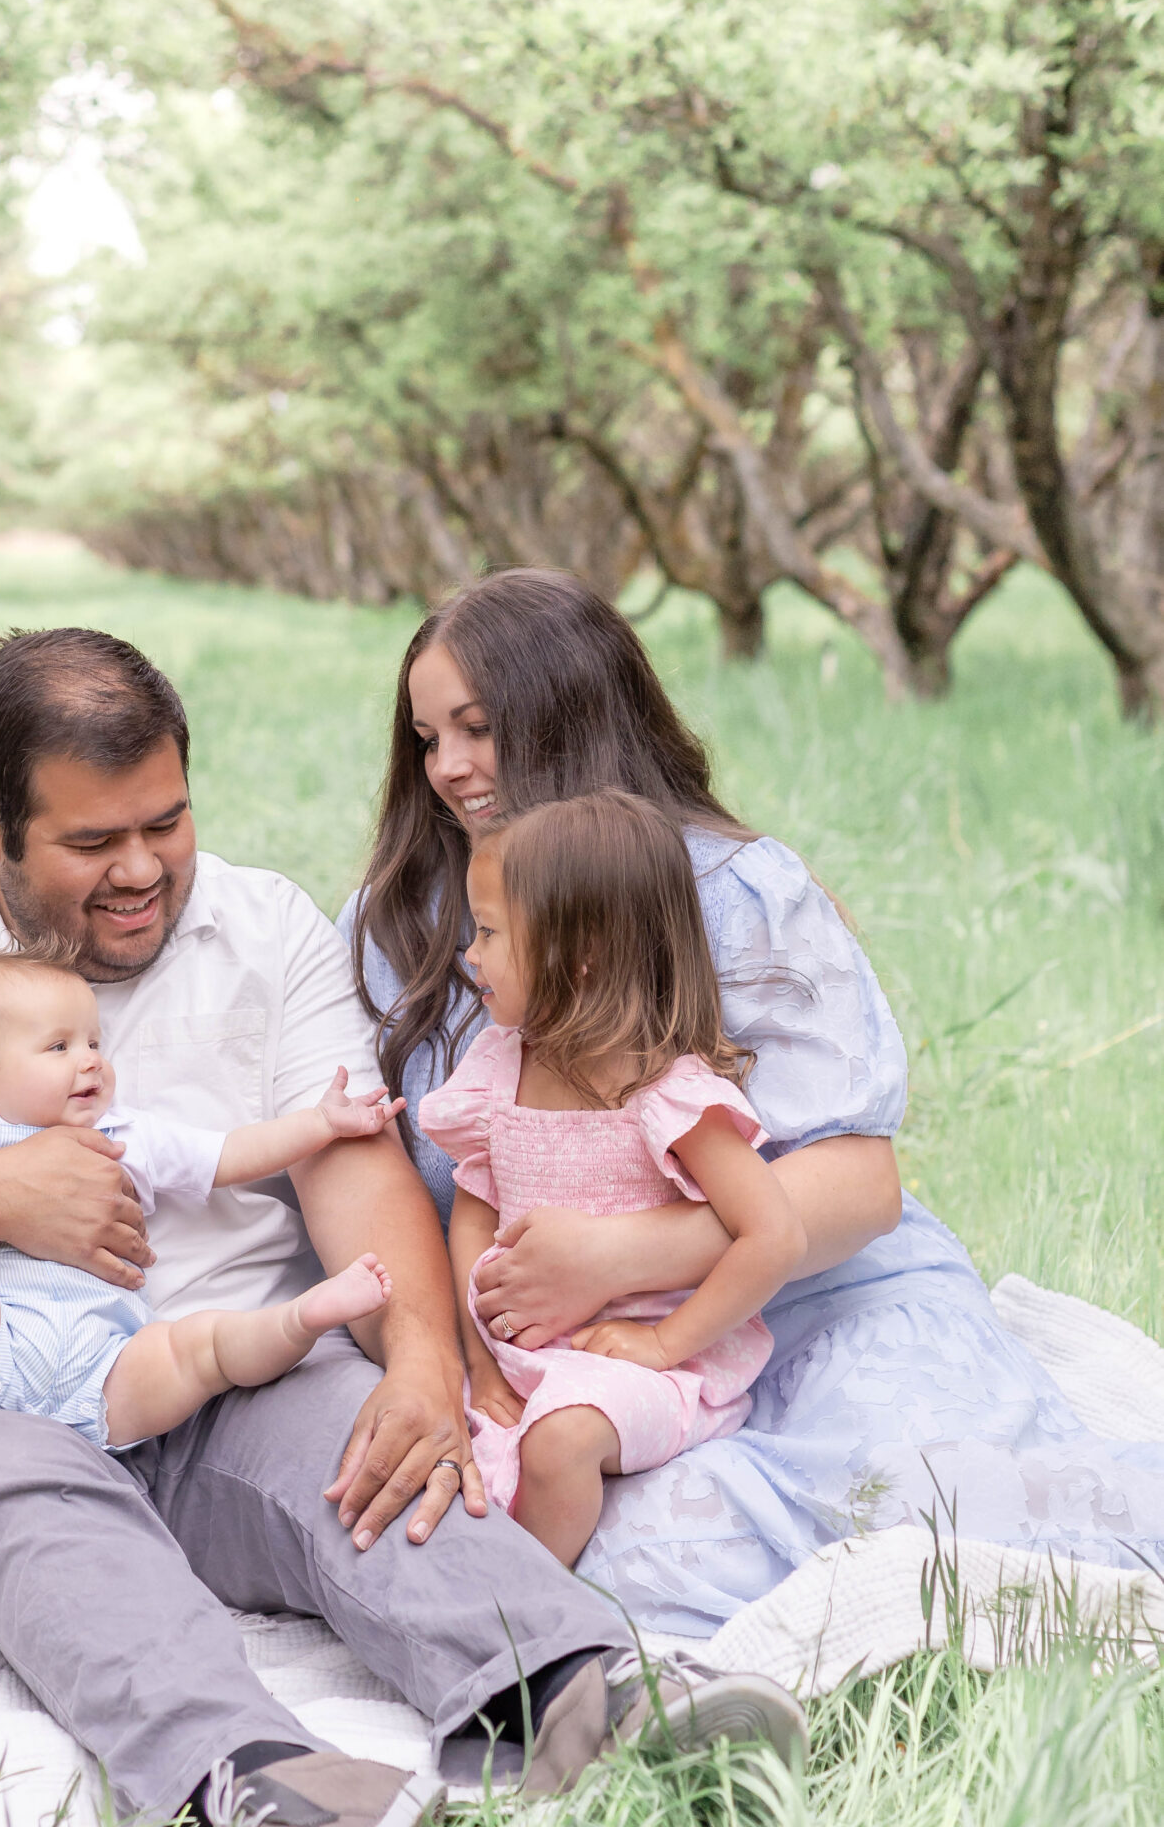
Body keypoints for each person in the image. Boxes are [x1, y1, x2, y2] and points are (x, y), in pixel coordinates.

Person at [0, 625, 806, 1827]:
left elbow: (355, 1177)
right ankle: (262, 1797)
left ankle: (577, 1690)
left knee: (369, 1442)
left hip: (227, 1368)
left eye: (164, 823)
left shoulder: (261, 925)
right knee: (28, 1498)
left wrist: (419, 1364)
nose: (139, 872)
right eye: (91, 843)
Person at [345, 567, 1164, 1634]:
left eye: (479, 728)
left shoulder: (735, 893)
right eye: (425, 737)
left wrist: (612, 1256)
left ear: (570, 717)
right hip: (544, 1355)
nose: (449, 768)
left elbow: (859, 1185)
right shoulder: (402, 923)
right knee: (586, 1539)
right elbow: (390, 1172)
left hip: (807, 1295)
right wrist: (451, 1350)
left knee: (944, 1498)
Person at [0, 945, 399, 1448]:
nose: (91, 1057)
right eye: (58, 1047)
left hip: (108, 1368)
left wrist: (320, 1124)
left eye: (94, 1041)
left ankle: (300, 1320)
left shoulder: (122, 1136)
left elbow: (227, 1154)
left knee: (201, 1350)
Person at [431, 793, 803, 1578]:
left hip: (649, 1372)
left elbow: (774, 1236)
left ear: (580, 953)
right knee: (432, 1453)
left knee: (560, 1441)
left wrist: (664, 1342)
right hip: (518, 1360)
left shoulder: (665, 1095)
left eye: (491, 933)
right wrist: (478, 1354)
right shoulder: (497, 1070)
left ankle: (521, 1614)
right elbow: (473, 1217)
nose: (471, 954)